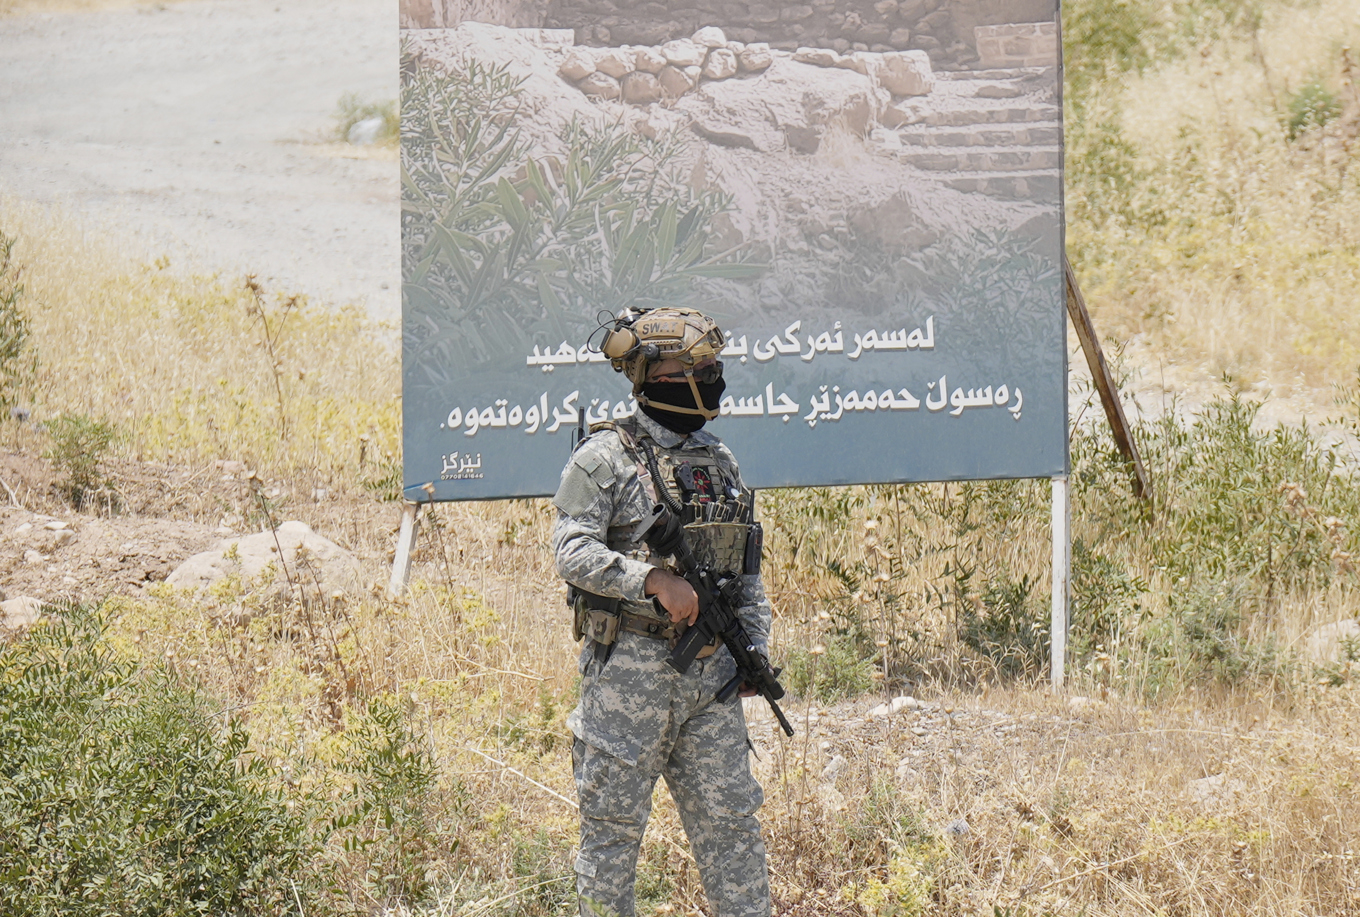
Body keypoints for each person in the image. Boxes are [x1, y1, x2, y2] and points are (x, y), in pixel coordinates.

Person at [552, 306, 774, 917]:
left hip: (711, 681)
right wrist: (648, 578)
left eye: (713, 365)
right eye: (695, 366)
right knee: (612, 842)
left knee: (735, 835)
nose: (711, 375)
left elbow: (744, 569)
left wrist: (754, 649)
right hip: (628, 679)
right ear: (652, 373)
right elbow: (570, 550)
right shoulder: (604, 457)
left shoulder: (719, 461)